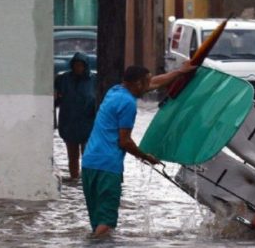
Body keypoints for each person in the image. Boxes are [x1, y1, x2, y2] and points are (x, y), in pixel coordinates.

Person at [81, 62, 196, 237]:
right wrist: (146, 157)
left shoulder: (115, 91)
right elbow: (124, 142)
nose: (151, 86)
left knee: (97, 220)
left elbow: (156, 82)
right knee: (106, 223)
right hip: (108, 167)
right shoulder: (128, 104)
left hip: (89, 164)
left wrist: (180, 72)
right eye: (146, 82)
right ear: (137, 84)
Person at [54, 52, 96, 179]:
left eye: (81, 65)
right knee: (72, 155)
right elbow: (56, 98)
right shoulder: (64, 79)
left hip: (87, 122)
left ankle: (86, 180)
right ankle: (74, 178)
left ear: (85, 66)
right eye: (76, 65)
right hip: (69, 121)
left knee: (87, 154)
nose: (78, 68)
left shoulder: (94, 80)